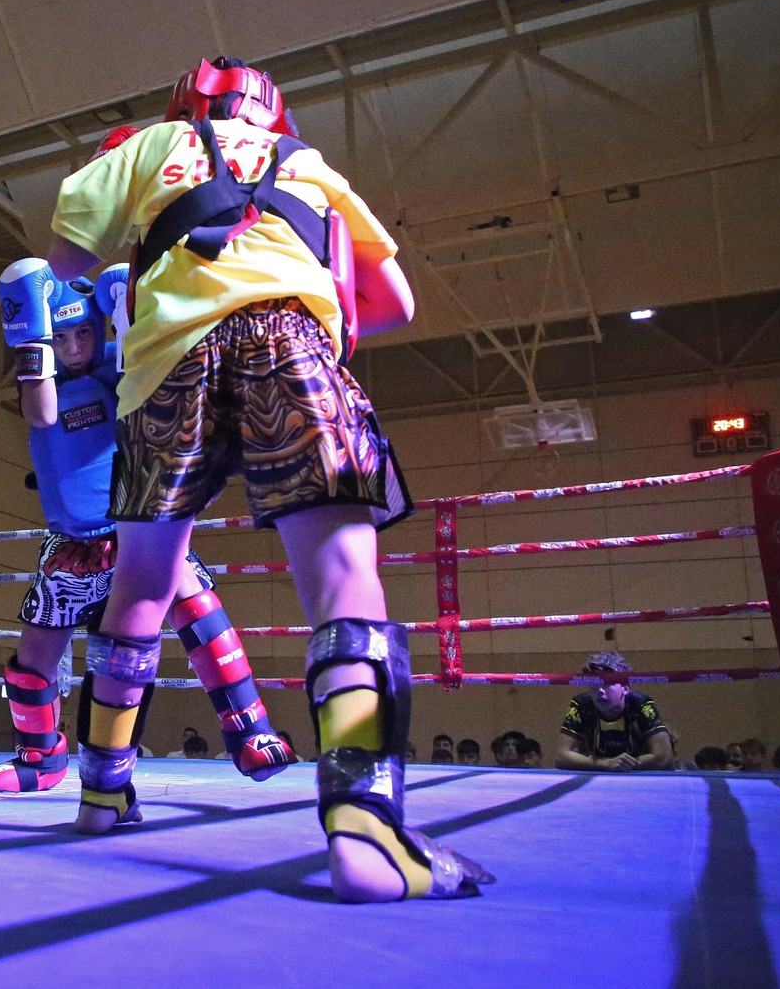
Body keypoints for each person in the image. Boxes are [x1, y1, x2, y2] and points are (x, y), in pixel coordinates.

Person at [43, 57, 490, 902]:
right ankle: (364, 831)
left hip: (163, 372)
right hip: (289, 342)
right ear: (273, 116)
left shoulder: (151, 145)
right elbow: (395, 301)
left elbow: (65, 258)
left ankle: (101, 795)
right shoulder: (311, 166)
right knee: (342, 576)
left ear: (184, 105)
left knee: (142, 581)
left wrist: (143, 264)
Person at [0, 255, 292, 796]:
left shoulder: (117, 378)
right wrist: (34, 342)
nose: (74, 347)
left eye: (83, 334)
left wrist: (127, 319)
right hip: (72, 543)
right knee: (34, 655)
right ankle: (40, 759)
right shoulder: (46, 385)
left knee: (196, 605)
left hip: (135, 529)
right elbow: (43, 413)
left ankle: (249, 731)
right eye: (63, 338)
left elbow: (141, 389)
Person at [555, 652, 674, 771]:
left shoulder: (642, 704)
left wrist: (625, 764)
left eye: (607, 684)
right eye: (594, 684)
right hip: (597, 779)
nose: (600, 691)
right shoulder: (580, 704)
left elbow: (664, 757)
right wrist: (606, 764)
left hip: (638, 780)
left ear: (626, 687)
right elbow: (561, 757)